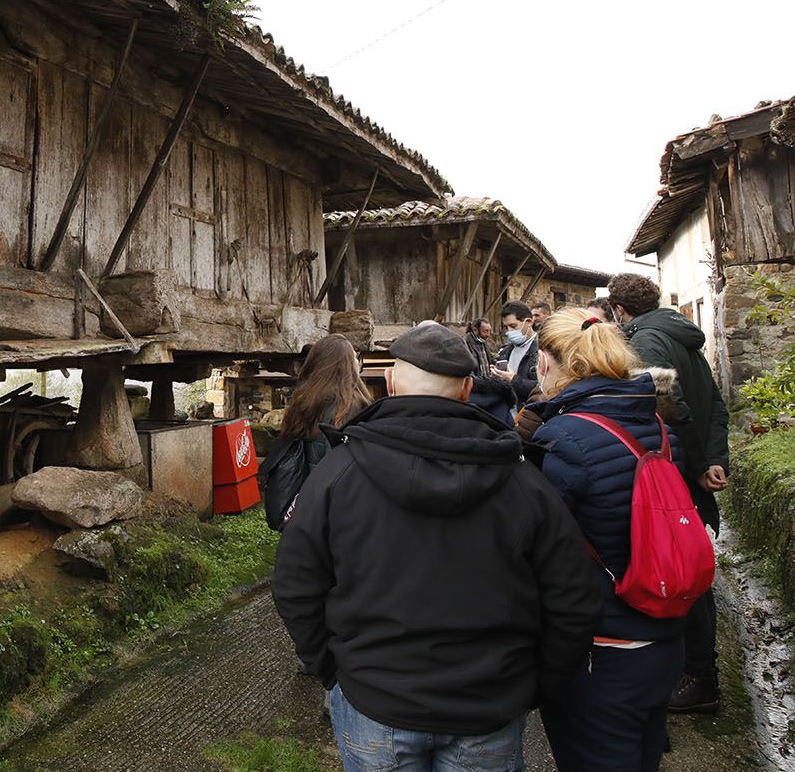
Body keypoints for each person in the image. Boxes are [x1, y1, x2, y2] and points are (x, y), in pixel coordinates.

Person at [272, 321, 599, 772]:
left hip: (376, 700)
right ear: (468, 389)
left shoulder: (339, 473)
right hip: (487, 704)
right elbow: (574, 597)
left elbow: (294, 584)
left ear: (389, 382)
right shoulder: (523, 481)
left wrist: (332, 669)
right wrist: (534, 683)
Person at [527, 308, 687, 771]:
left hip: (604, 648)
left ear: (543, 363)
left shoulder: (566, 438)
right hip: (661, 634)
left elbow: (542, 546)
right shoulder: (657, 425)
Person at [607, 272, 730, 713]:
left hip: (673, 473)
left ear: (620, 310)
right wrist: (716, 460)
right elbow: (715, 404)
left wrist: (698, 467)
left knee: (681, 575)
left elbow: (675, 413)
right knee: (689, 568)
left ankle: (699, 678)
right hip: (688, 468)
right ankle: (697, 673)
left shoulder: (645, 343)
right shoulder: (680, 335)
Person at [276, 334, 372, 472]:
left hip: (305, 487)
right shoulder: (348, 406)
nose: (358, 362)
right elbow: (341, 466)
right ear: (346, 364)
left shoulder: (303, 400)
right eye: (354, 357)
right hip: (331, 489)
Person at [492, 300, 540, 404]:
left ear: (529, 322)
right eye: (506, 327)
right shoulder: (505, 351)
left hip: (529, 414)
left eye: (513, 326)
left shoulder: (543, 351)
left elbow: (546, 389)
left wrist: (513, 380)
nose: (509, 332)